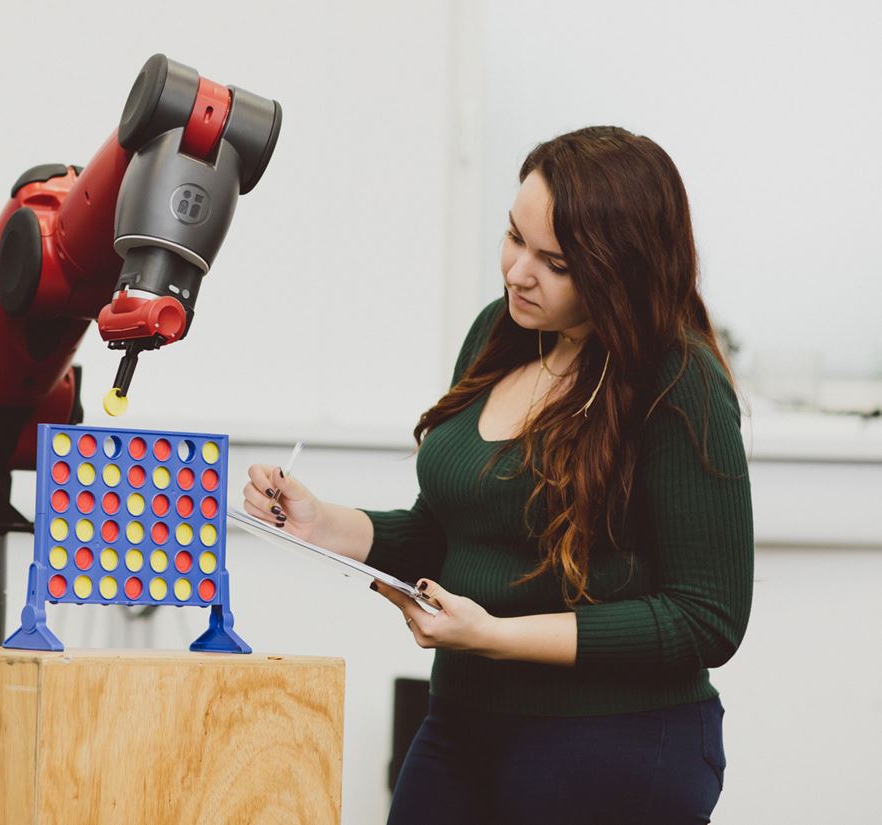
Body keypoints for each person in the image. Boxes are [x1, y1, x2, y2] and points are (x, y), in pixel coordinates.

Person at [242, 126, 752, 824]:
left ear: (620, 269)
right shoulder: (499, 333)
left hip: (616, 743)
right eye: (514, 237)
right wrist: (325, 525)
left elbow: (707, 618)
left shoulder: (676, 380)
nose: (517, 272)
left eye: (556, 262)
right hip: (462, 722)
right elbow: (448, 532)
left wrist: (495, 634)